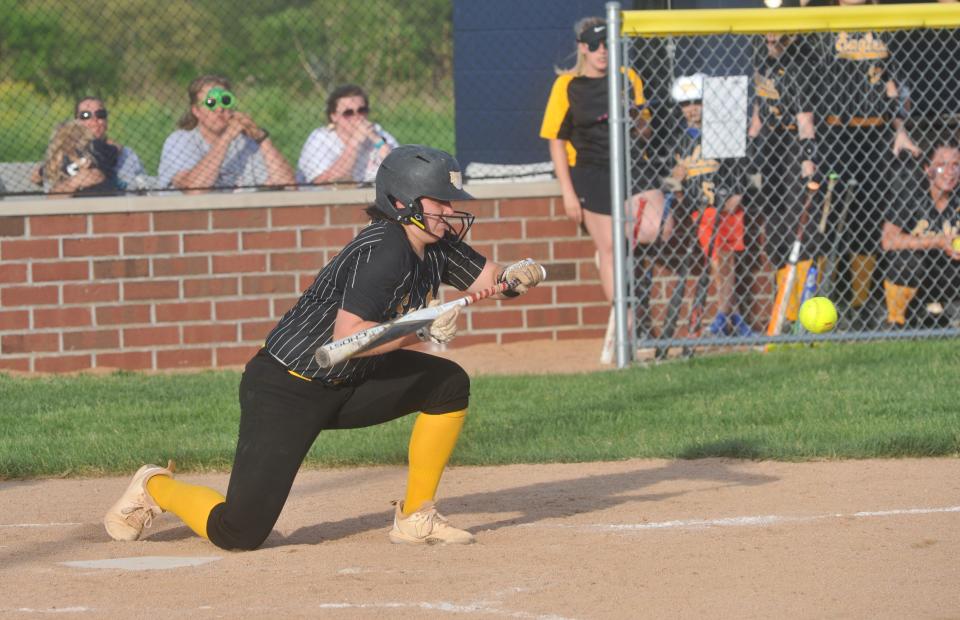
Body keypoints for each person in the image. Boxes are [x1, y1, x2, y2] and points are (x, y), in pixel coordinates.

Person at [103, 145, 545, 550]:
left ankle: (415, 515)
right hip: (288, 387)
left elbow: (491, 279)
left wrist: (516, 275)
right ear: (400, 203)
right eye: (439, 201)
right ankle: (154, 486)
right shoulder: (384, 250)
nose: (450, 211)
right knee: (238, 533)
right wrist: (422, 331)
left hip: (351, 380)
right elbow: (346, 340)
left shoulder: (435, 244)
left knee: (447, 383)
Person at [539, 17, 667, 306]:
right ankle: (627, 326)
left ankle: (617, 234)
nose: (602, 51)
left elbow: (645, 130)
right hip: (591, 170)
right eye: (594, 45)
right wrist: (568, 193)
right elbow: (556, 142)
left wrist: (633, 116)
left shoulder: (627, 77)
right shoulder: (567, 85)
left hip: (631, 165)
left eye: (607, 43)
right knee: (609, 250)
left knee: (656, 228)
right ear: (583, 47)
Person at [811, 0, 921, 327]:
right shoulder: (822, 20)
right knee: (827, 216)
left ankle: (860, 306)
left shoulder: (883, 21)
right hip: (835, 130)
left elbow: (893, 83)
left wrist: (900, 128)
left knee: (868, 215)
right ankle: (817, 298)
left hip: (875, 131)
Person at [666, 74, 751, 337]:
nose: (691, 109)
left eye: (697, 102)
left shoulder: (723, 133)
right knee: (718, 261)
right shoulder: (680, 140)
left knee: (727, 260)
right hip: (701, 210)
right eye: (686, 103)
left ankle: (728, 315)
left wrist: (738, 191)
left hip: (725, 207)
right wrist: (677, 185)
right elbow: (676, 178)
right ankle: (728, 316)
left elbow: (740, 168)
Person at [748, 33, 819, 331]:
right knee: (775, 230)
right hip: (770, 145)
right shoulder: (760, 59)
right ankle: (786, 312)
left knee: (799, 227)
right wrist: (750, 146)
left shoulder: (800, 63)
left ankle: (805, 309)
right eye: (768, 34)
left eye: (778, 34)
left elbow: (805, 120)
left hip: (793, 143)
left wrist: (807, 158)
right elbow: (758, 111)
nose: (772, 38)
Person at [158, 74, 295, 193]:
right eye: (211, 102)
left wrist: (260, 137)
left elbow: (289, 185)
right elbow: (194, 188)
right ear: (196, 111)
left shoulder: (246, 144)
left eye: (225, 100)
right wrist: (227, 136)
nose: (220, 109)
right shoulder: (180, 141)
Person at [881, 140, 960, 328]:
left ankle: (942, 311)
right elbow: (888, 240)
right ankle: (895, 322)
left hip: (950, 271)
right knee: (906, 261)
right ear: (927, 169)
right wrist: (937, 241)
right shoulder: (911, 194)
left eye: (955, 165)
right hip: (917, 273)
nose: (949, 172)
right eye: (941, 165)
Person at [297, 84, 399, 185]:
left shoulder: (376, 131)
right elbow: (322, 182)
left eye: (362, 110)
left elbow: (399, 169)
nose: (357, 117)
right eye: (348, 113)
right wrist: (354, 143)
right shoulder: (320, 138)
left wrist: (378, 140)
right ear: (334, 116)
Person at [74, 97, 148, 190]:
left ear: (106, 121)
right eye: (85, 115)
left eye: (100, 114)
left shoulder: (127, 154)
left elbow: (144, 185)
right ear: (76, 122)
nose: (94, 119)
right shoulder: (67, 153)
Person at [34, 120, 119, 197]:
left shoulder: (56, 158)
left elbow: (36, 176)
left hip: (80, 196)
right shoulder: (94, 146)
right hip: (100, 194)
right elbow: (116, 149)